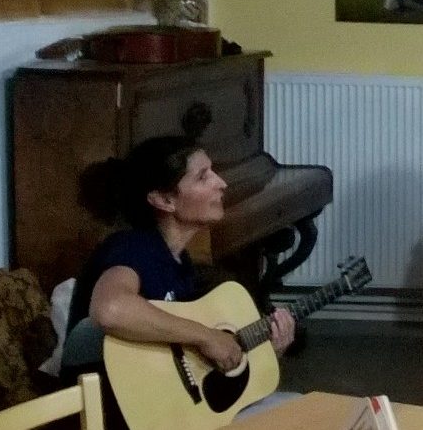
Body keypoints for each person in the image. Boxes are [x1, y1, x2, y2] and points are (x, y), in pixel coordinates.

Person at [62, 136, 298, 428]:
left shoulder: (179, 262)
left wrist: (269, 350)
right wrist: (206, 336)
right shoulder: (132, 247)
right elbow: (110, 309)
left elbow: (188, 367)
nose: (222, 183)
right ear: (165, 200)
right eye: (203, 176)